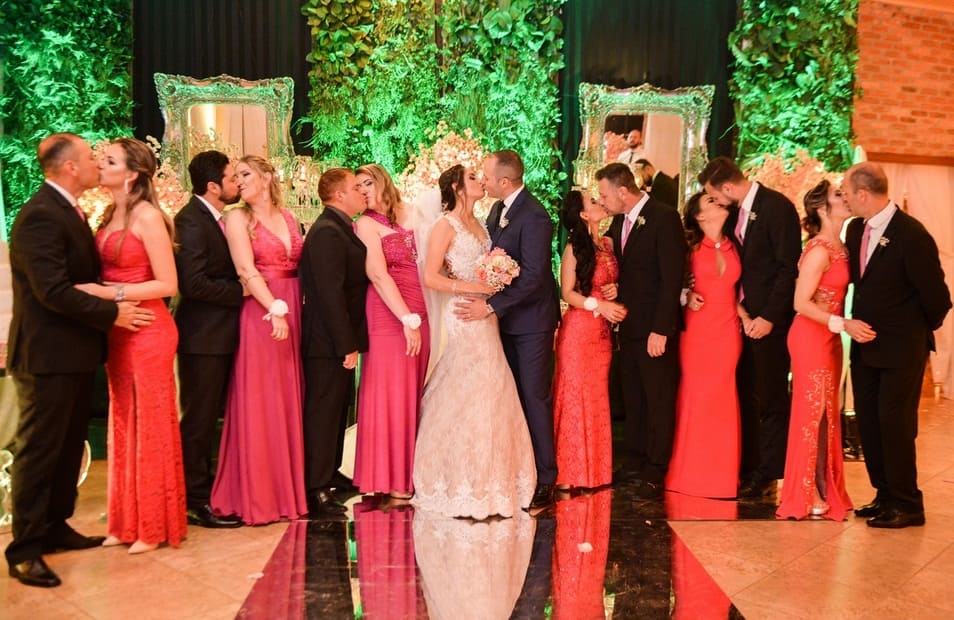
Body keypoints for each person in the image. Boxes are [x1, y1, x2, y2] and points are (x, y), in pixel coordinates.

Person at [5, 133, 151, 587]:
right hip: (47, 355)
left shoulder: (69, 209)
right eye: (90, 157)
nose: (95, 162)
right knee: (40, 451)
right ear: (69, 167)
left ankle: (55, 526)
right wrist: (113, 312)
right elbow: (52, 291)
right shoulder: (40, 215)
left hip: (74, 352)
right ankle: (25, 549)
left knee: (68, 447)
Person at [78, 137, 184, 554]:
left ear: (133, 173)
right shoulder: (108, 213)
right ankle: (124, 522)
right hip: (118, 330)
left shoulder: (148, 216)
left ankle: (153, 525)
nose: (100, 165)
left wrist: (109, 294)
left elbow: (168, 283)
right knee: (122, 422)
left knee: (150, 423)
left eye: (109, 161)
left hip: (148, 327)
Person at [413, 164, 536, 519]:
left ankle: (495, 479)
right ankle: (456, 478)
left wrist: (497, 279)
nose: (480, 181)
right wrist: (473, 287)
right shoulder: (445, 225)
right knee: (468, 385)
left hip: (487, 314)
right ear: (456, 187)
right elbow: (431, 276)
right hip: (464, 313)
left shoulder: (483, 223)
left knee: (493, 388)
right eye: (472, 178)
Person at [843, 162, 951, 528]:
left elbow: (938, 299)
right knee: (869, 423)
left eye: (847, 192)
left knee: (896, 425)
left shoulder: (911, 235)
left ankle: (907, 503)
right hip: (865, 347)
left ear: (863, 194)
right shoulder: (855, 229)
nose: (845, 198)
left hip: (902, 350)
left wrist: (911, 333)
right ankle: (884, 494)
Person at [457, 150, 560, 509]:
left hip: (532, 324)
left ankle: (546, 477)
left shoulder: (535, 216)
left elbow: (534, 276)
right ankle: (520, 468)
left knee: (534, 396)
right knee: (511, 398)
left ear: (504, 181)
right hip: (505, 322)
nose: (483, 181)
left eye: (487, 176)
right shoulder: (497, 210)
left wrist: (490, 305)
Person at [211, 155, 308, 525]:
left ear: (267, 177)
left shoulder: (288, 217)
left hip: (293, 308)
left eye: (246, 174)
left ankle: (286, 494)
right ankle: (259, 496)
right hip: (261, 311)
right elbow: (245, 269)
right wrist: (274, 308)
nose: (239, 181)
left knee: (286, 398)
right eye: (236, 176)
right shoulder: (238, 218)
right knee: (261, 399)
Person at [698, 156, 801, 499]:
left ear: (728, 187)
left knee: (771, 398)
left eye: (715, 195)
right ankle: (747, 464)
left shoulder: (777, 208)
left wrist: (769, 317)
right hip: (740, 318)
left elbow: (787, 269)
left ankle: (770, 472)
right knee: (745, 394)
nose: (715, 201)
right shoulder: (736, 212)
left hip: (770, 322)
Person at [598, 162, 686, 499]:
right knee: (634, 396)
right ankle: (634, 460)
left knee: (657, 398)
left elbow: (671, 277)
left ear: (623, 191)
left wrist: (661, 329)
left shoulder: (664, 218)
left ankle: (656, 467)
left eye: (605, 195)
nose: (602, 201)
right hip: (628, 325)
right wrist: (616, 288)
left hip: (653, 327)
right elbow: (629, 270)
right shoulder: (619, 220)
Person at [776, 180, 859, 521]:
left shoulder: (843, 247)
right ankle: (805, 489)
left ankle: (825, 484)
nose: (845, 198)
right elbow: (800, 302)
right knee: (811, 413)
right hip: (811, 336)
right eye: (838, 195)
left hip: (830, 337)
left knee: (827, 412)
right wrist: (839, 322)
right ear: (823, 210)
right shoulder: (819, 250)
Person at [173, 150, 243, 529]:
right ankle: (195, 499)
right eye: (232, 179)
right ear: (213, 187)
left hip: (222, 334)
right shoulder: (190, 221)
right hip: (202, 338)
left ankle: (214, 487)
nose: (237, 184)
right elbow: (193, 283)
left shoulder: (219, 219)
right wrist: (241, 291)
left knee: (214, 417)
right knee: (198, 420)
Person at [352, 163, 429, 499]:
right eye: (358, 186)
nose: (363, 190)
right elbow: (378, 275)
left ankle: (412, 472)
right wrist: (406, 319)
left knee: (414, 391)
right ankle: (389, 477)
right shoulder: (364, 224)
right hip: (389, 313)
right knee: (391, 391)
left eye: (367, 183)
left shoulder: (412, 212)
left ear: (383, 181)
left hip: (422, 309)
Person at [300, 168, 369, 519]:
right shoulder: (327, 231)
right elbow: (330, 294)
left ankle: (330, 473)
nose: (362, 192)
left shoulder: (340, 227)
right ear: (339, 195)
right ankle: (315, 488)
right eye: (355, 188)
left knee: (338, 409)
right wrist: (346, 344)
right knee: (323, 413)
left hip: (335, 338)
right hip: (326, 341)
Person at [666, 191, 742, 499]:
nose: (718, 201)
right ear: (699, 216)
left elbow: (741, 291)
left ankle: (722, 478)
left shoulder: (736, 245)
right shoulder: (689, 249)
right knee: (696, 397)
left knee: (723, 400)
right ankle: (689, 476)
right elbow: (671, 282)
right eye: (710, 201)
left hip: (728, 331)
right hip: (698, 331)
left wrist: (746, 316)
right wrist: (686, 295)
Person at [552, 189, 626, 491]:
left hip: (602, 334)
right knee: (575, 398)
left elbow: (614, 278)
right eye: (593, 202)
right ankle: (570, 474)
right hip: (579, 331)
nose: (600, 202)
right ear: (583, 214)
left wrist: (616, 289)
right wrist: (599, 305)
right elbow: (567, 292)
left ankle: (596, 473)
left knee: (597, 397)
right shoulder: (573, 248)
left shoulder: (608, 244)